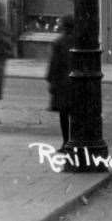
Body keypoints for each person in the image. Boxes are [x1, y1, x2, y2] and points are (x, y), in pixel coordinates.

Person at [47, 15, 77, 145]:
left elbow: (54, 64)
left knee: (64, 115)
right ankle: (75, 140)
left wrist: (50, 80)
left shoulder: (59, 42)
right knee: (76, 115)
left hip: (62, 84)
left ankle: (66, 142)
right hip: (76, 83)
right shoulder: (79, 42)